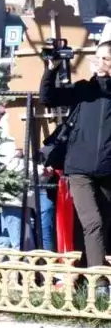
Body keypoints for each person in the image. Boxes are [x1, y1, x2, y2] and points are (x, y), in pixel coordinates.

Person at [40, 42, 111, 271]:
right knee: (93, 222)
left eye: (106, 59)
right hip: (79, 169)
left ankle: (82, 277)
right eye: (98, 58)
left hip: (107, 171)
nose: (100, 63)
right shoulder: (83, 90)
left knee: (100, 226)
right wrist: (51, 69)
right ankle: (99, 282)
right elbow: (48, 97)